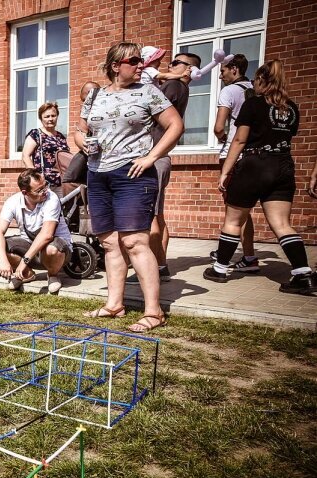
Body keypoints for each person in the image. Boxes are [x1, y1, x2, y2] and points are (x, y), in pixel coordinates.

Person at [74, 42, 183, 332]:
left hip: (132, 174)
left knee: (135, 242)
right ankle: (114, 304)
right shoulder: (95, 94)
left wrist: (151, 157)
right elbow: (80, 129)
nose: (140, 65)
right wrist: (81, 142)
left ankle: (153, 311)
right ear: (115, 65)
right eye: (133, 61)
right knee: (110, 243)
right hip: (98, 175)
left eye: (140, 61)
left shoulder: (148, 91)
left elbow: (175, 125)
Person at [204, 60, 317, 294]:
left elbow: (240, 140)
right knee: (283, 224)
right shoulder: (291, 108)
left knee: (234, 220)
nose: (253, 85)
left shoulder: (253, 104)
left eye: (255, 81)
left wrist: (226, 171)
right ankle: (303, 275)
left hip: (254, 164)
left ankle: (220, 268)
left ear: (262, 81)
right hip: (283, 165)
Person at [127, 52, 201, 284]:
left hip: (153, 158)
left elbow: (147, 111)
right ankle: (160, 265)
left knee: (150, 216)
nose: (170, 65)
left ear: (189, 70)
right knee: (156, 214)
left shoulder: (172, 86)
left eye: (176, 63)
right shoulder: (176, 86)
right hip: (158, 157)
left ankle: (154, 268)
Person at [213, 54, 259, 272]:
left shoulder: (229, 91)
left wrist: (223, 140)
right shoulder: (255, 89)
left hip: (233, 154)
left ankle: (224, 260)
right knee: (244, 212)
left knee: (233, 212)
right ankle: (248, 256)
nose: (220, 75)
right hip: (254, 155)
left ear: (233, 69)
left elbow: (219, 127)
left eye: (222, 71)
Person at [0, 169, 72, 294]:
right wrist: (3, 261)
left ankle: (52, 275)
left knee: (52, 249)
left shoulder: (52, 199)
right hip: (31, 249)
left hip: (56, 250)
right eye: (39, 190)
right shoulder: (12, 202)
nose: (45, 191)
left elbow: (46, 235)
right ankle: (26, 274)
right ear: (25, 192)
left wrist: (23, 262)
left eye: (46, 185)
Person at [21, 102, 71, 193]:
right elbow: (26, 156)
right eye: (47, 116)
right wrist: (35, 177)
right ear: (41, 118)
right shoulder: (36, 134)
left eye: (53, 115)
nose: (50, 119)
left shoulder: (61, 137)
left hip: (61, 183)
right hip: (44, 184)